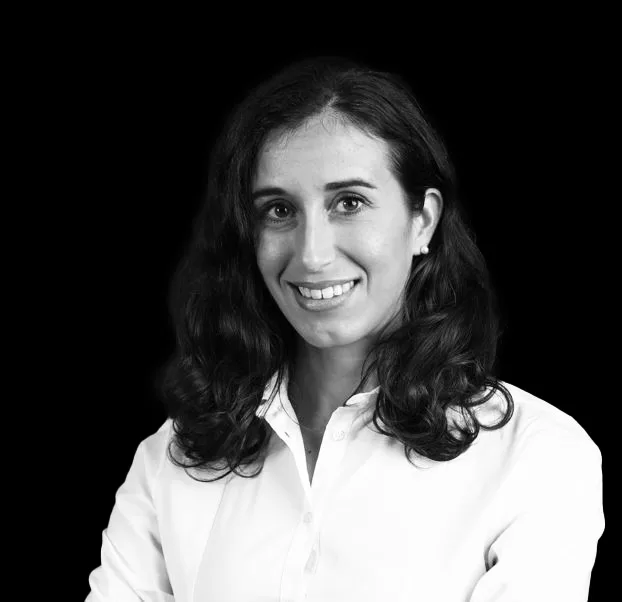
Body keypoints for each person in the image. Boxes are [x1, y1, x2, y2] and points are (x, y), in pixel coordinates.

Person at [86, 56, 604, 602]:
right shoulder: (172, 459)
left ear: (423, 220)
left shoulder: (536, 457)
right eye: (278, 210)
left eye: (349, 203)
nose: (311, 255)